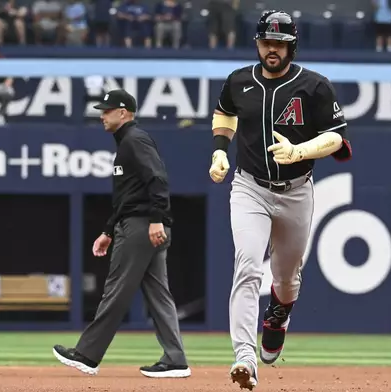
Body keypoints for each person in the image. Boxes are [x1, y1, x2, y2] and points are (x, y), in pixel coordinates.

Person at [208, 10, 352, 390]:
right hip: (249, 187)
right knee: (247, 266)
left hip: (296, 191)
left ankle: (278, 314)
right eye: (266, 42)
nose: (272, 49)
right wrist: (220, 150)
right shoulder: (239, 81)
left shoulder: (314, 85)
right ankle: (244, 358)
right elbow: (224, 112)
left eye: (280, 43)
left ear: (292, 46)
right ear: (257, 42)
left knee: (286, 278)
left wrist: (301, 151)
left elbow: (337, 137)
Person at [52, 89, 191, 379]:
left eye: (107, 110)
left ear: (123, 112)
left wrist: (156, 220)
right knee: (158, 294)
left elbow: (158, 178)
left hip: (142, 226)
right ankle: (176, 359)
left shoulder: (134, 139)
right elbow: (129, 195)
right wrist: (107, 231)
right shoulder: (127, 142)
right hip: (141, 223)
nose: (101, 115)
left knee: (116, 289)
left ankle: (88, 355)